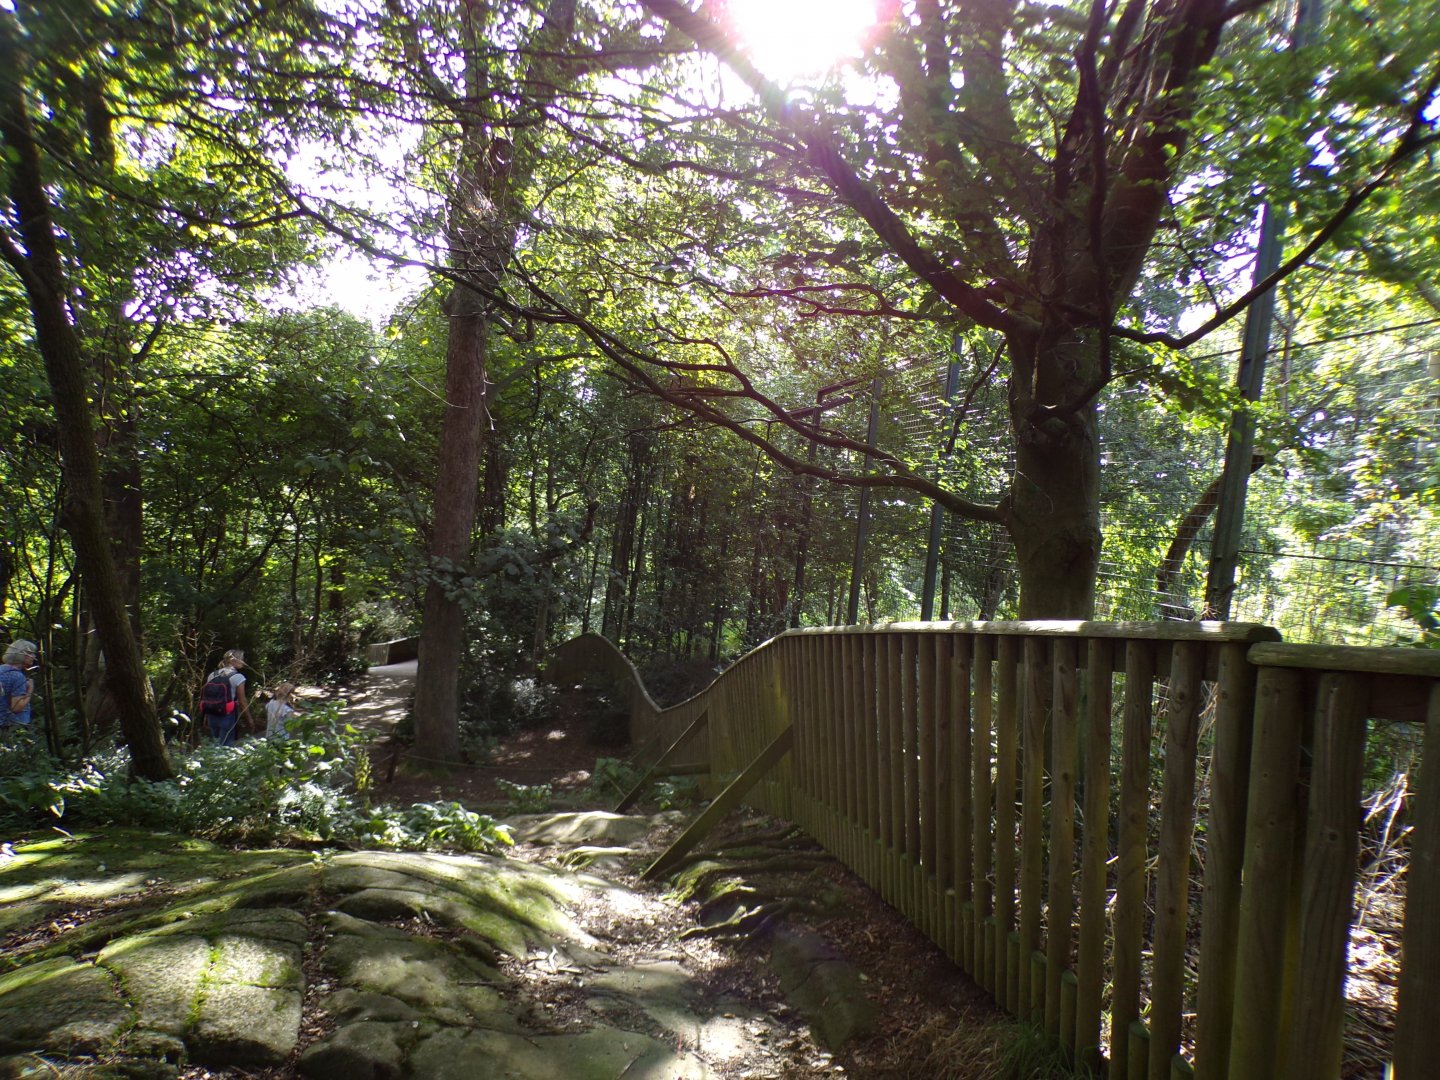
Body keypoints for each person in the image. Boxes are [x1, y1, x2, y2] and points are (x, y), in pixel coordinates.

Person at [197, 649, 251, 746]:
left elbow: (208, 697)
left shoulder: (212, 675)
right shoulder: (238, 677)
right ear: (233, 660)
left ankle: (213, 761)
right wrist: (249, 720)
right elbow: (242, 701)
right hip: (227, 715)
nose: (244, 662)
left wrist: (205, 716)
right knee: (226, 746)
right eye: (242, 659)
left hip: (211, 714)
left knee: (215, 743)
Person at [0, 639, 39, 732]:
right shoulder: (17, 676)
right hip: (12, 727)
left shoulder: (1, 670)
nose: (34, 657)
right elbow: (16, 707)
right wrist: (30, 690)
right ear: (20, 654)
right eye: (31, 653)